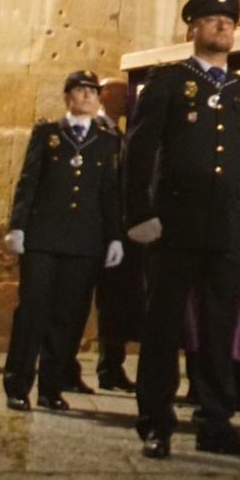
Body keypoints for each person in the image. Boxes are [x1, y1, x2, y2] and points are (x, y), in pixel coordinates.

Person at [125, 0, 240, 459]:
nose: (222, 26)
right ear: (193, 27)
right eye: (212, 19)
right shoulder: (169, 83)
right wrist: (139, 213)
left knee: (218, 328)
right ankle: (155, 422)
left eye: (228, 20)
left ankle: (215, 423)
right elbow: (139, 151)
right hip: (176, 223)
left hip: (228, 225)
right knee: (163, 325)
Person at [0, 71, 125, 411]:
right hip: (43, 238)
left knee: (67, 317)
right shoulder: (48, 134)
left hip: (83, 242)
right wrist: (18, 227)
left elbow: (109, 192)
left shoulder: (105, 141)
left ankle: (51, 388)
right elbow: (29, 181)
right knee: (32, 312)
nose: (86, 97)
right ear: (68, 97)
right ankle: (17, 384)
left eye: (91, 92)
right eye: (79, 91)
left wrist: (114, 237)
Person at [91, 76, 142, 393]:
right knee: (81, 302)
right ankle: (63, 367)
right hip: (97, 231)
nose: (128, 101)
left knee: (114, 303)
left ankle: (111, 367)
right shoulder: (94, 133)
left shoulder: (120, 136)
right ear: (105, 94)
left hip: (117, 234)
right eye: (123, 95)